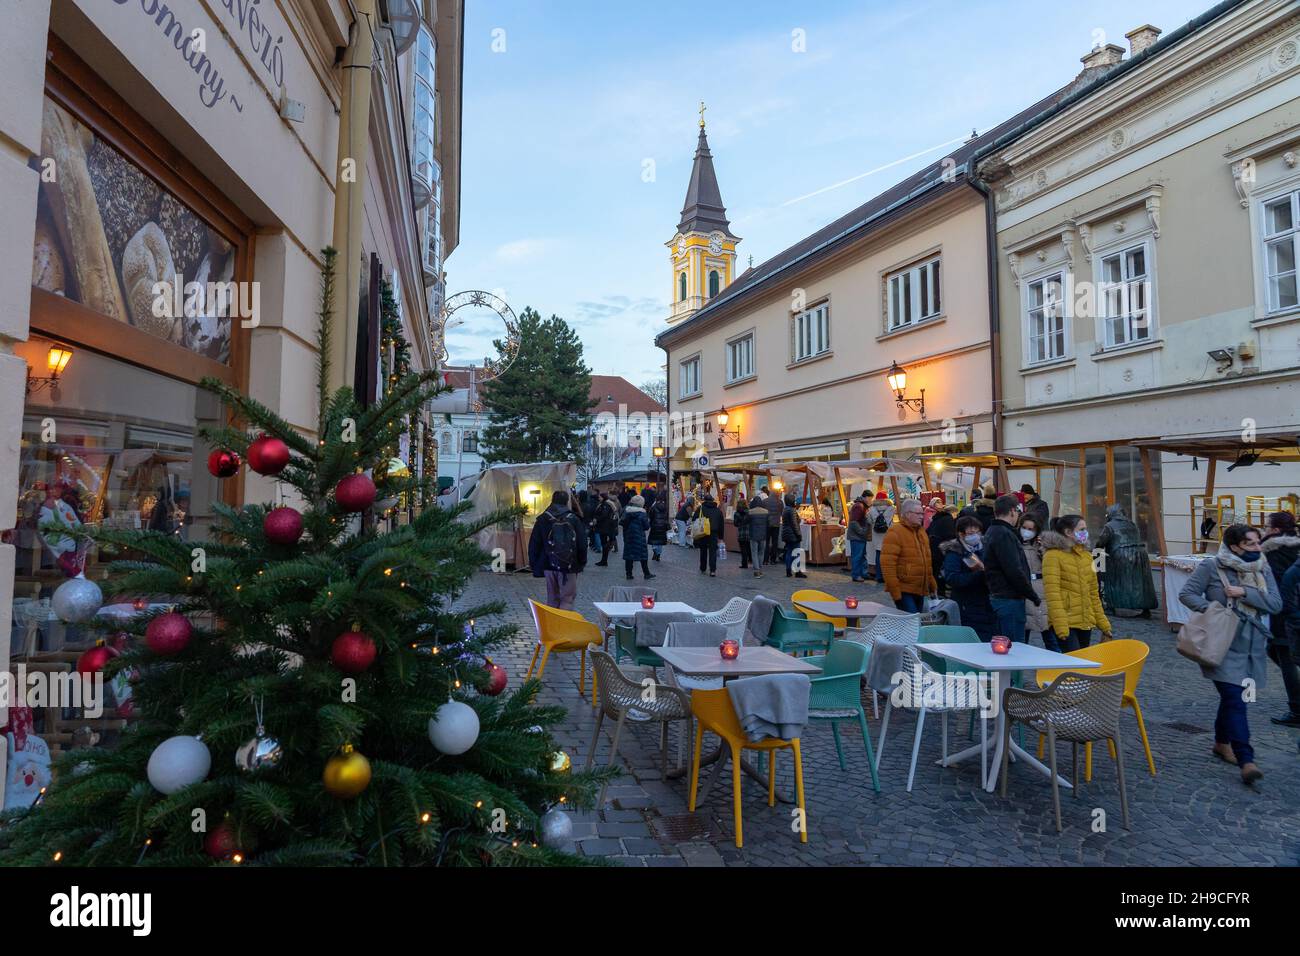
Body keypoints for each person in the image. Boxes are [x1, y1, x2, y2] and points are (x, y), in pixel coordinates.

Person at [1179, 524, 1280, 785]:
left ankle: (1221, 743)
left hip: (1253, 647)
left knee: (1234, 700)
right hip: (1221, 644)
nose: (1258, 548)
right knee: (1235, 698)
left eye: (1259, 542)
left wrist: (1246, 592)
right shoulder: (1212, 567)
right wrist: (1214, 610)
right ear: (1234, 546)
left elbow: (1276, 604)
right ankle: (1246, 759)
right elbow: (1187, 594)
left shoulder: (1263, 566)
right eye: (1251, 544)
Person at [1041, 514, 1111, 651]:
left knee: (1081, 665)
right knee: (1074, 665)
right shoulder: (1052, 556)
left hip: (1085, 622)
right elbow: (1052, 595)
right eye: (1081, 529)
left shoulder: (1087, 556)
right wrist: (1061, 626)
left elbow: (1093, 595)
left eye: (1085, 529)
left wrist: (1104, 625)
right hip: (1066, 623)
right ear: (1068, 532)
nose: (1085, 533)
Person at [983, 494, 1041, 643]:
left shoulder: (993, 531)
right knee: (1014, 647)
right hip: (1009, 599)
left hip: (1002, 597)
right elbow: (1013, 570)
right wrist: (1032, 594)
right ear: (1012, 511)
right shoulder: (1004, 534)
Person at [1260, 511, 1300, 726]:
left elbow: (1272, 581)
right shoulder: (1295, 546)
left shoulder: (1272, 550)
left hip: (1285, 610)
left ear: (1275, 529)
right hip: (1291, 607)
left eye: (1267, 526)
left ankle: (1296, 709)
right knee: (1276, 651)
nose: (1265, 529)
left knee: (1285, 657)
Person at [527, 490, 587, 610]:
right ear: (567, 501)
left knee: (552, 598)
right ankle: (564, 626)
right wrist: (581, 563)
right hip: (569, 565)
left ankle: (553, 625)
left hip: (548, 563)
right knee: (567, 599)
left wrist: (535, 565)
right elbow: (582, 544)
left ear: (552, 500)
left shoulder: (543, 519)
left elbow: (534, 544)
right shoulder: (574, 519)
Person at [940, 516, 998, 641]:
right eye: (971, 533)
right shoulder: (955, 552)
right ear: (961, 534)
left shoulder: (986, 548)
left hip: (986, 603)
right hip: (966, 604)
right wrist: (978, 574)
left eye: (978, 532)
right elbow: (953, 578)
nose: (975, 536)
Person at [1097, 504, 1158, 618]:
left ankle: (1111, 606)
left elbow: (1101, 542)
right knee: (1141, 583)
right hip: (1140, 554)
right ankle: (1145, 608)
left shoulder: (1109, 525)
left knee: (1113, 579)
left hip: (1120, 554)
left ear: (1111, 514)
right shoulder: (1131, 524)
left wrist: (1095, 551)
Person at [880, 498, 936, 613]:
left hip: (920, 588)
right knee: (912, 623)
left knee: (916, 623)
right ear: (907, 514)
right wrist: (895, 591)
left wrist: (931, 584)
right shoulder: (895, 532)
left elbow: (927, 561)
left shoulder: (921, 532)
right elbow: (887, 564)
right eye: (918, 513)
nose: (922, 516)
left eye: (922, 513)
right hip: (904, 589)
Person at [1018, 514, 1051, 648]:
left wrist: (1043, 548)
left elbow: (1049, 564)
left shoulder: (1041, 546)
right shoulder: (1015, 544)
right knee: (1023, 634)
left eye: (1031, 529)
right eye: (1024, 527)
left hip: (1041, 589)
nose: (1027, 531)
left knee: (1048, 631)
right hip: (1024, 589)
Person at [620, 494, 655, 581]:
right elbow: (646, 527)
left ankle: (629, 574)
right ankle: (646, 573)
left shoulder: (627, 511)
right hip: (639, 537)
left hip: (629, 536)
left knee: (629, 556)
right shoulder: (642, 514)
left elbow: (622, 522)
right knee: (643, 556)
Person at [927, 504, 958, 597]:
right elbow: (950, 536)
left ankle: (935, 592)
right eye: (956, 514)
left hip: (932, 549)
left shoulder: (936, 519)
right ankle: (940, 594)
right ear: (953, 513)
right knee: (941, 573)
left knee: (935, 572)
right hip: (941, 550)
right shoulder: (948, 520)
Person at [692, 493, 724, 576]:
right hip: (714, 533)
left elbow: (694, 518)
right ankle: (712, 570)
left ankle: (703, 568)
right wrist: (721, 537)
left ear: (705, 500)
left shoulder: (701, 508)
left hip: (703, 532)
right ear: (713, 500)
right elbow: (721, 524)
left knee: (703, 550)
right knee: (712, 551)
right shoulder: (718, 510)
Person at [868, 491, 894, 582]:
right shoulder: (891, 508)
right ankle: (887, 576)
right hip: (888, 534)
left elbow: (869, 521)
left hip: (876, 534)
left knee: (878, 555)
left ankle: (879, 576)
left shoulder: (872, 509)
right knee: (888, 557)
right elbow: (891, 521)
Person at [780, 491, 807, 579]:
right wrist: (798, 534)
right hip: (793, 534)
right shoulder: (791, 510)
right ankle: (798, 571)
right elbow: (794, 524)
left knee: (789, 552)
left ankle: (788, 570)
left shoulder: (785, 509)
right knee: (798, 552)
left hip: (786, 534)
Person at [847, 491, 871, 583]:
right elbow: (854, 522)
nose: (871, 500)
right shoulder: (859, 506)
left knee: (861, 555)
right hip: (857, 536)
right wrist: (862, 531)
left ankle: (863, 573)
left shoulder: (861, 505)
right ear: (866, 497)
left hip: (859, 536)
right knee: (857, 556)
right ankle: (856, 575)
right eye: (870, 498)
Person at [746, 493, 770, 577]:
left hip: (753, 535)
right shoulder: (766, 512)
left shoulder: (750, 512)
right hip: (763, 535)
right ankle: (760, 568)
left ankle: (756, 570)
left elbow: (746, 522)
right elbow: (768, 523)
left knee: (754, 552)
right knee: (761, 552)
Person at [593, 493, 619, 566]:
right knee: (604, 543)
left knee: (604, 543)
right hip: (605, 526)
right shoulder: (605, 503)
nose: (598, 498)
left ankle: (604, 561)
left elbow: (604, 514)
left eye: (599, 497)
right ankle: (603, 560)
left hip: (604, 526)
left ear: (603, 497)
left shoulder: (605, 504)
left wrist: (596, 519)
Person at [763, 486, 784, 565]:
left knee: (766, 542)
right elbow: (782, 513)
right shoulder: (780, 502)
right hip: (776, 524)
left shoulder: (765, 501)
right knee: (775, 542)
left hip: (767, 524)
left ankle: (765, 560)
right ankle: (773, 559)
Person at [647, 493, 670, 562]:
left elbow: (650, 516)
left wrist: (650, 523)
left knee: (654, 540)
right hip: (663, 526)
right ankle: (658, 554)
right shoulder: (665, 507)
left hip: (655, 525)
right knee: (660, 541)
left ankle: (655, 552)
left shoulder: (653, 507)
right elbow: (666, 517)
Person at [734, 496, 751, 570]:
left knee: (743, 549)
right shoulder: (749, 512)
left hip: (741, 533)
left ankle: (744, 564)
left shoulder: (737, 513)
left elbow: (735, 524)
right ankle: (751, 560)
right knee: (748, 548)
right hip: (749, 533)